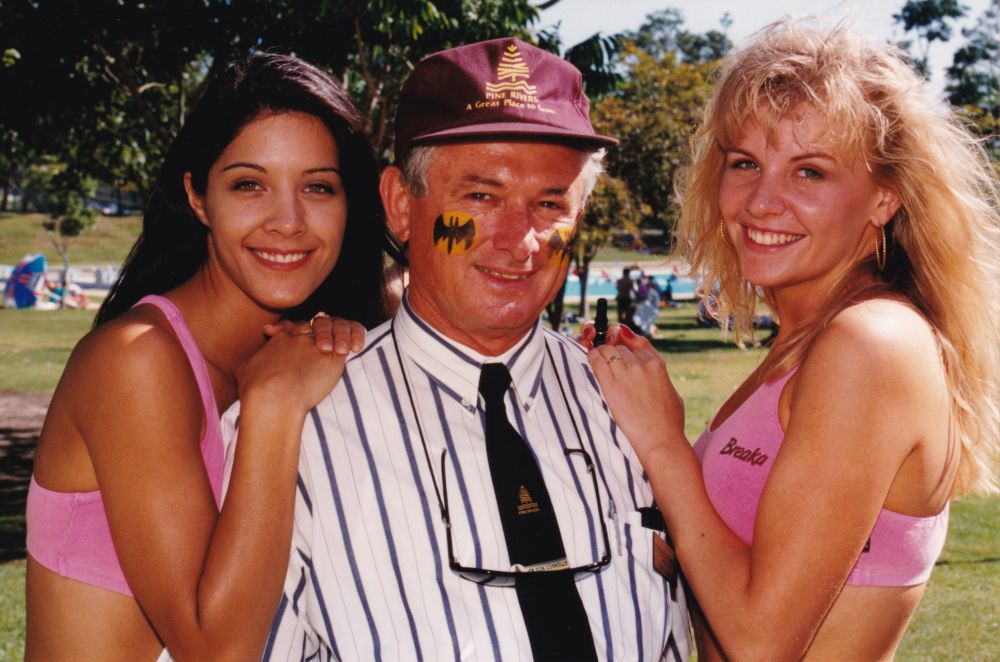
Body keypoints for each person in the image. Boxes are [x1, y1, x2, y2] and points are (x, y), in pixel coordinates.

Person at [252, 37, 691, 661]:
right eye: (481, 196)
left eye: (549, 204)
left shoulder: (633, 406)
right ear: (402, 205)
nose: (521, 242)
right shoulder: (293, 427)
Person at [583, 20, 999, 661]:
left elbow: (761, 643)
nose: (761, 201)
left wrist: (665, 444)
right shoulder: (806, 341)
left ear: (884, 197)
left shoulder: (870, 343)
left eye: (810, 172)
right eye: (745, 163)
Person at [25, 52, 394, 660]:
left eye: (318, 187)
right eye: (249, 184)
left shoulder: (312, 348)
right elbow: (215, 650)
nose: (288, 221)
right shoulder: (136, 362)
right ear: (199, 196)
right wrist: (272, 407)